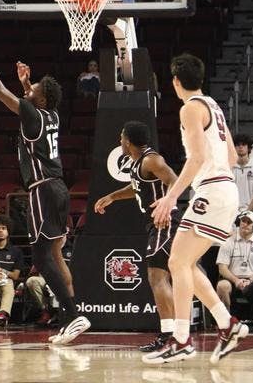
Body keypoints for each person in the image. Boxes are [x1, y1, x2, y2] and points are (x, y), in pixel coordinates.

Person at [0, 27, 90, 345]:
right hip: (59, 188)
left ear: (41, 98)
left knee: (41, 255)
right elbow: (30, 105)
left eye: (33, 88)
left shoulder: (33, 114)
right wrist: (27, 86)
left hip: (42, 190)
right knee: (55, 254)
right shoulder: (51, 115)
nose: (28, 89)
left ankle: (72, 314)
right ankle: (72, 316)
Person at [148, 53, 246, 364]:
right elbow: (231, 156)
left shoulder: (190, 108)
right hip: (224, 188)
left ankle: (181, 340)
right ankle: (227, 324)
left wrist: (170, 196)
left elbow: (198, 159)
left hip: (213, 190)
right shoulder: (213, 105)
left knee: (176, 262)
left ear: (176, 81)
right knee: (187, 265)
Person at [94, 120, 180, 352]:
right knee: (178, 275)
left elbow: (174, 180)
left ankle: (170, 335)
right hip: (154, 223)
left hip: (164, 220)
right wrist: (112, 197)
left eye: (121, 137)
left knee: (157, 276)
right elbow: (137, 187)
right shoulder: (138, 163)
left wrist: (166, 201)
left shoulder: (153, 160)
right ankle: (175, 334)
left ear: (128, 141)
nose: (119, 141)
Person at [215, 211, 253, 311]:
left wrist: (251, 280)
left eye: (249, 222)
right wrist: (236, 280)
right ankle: (226, 319)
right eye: (243, 221)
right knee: (222, 286)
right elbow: (222, 268)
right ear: (238, 223)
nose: (245, 224)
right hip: (232, 279)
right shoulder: (227, 242)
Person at [231, 134, 253, 212]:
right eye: (237, 145)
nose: (240, 147)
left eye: (243, 144)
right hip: (232, 211)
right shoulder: (229, 169)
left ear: (249, 147)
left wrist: (247, 213)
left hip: (252, 211)